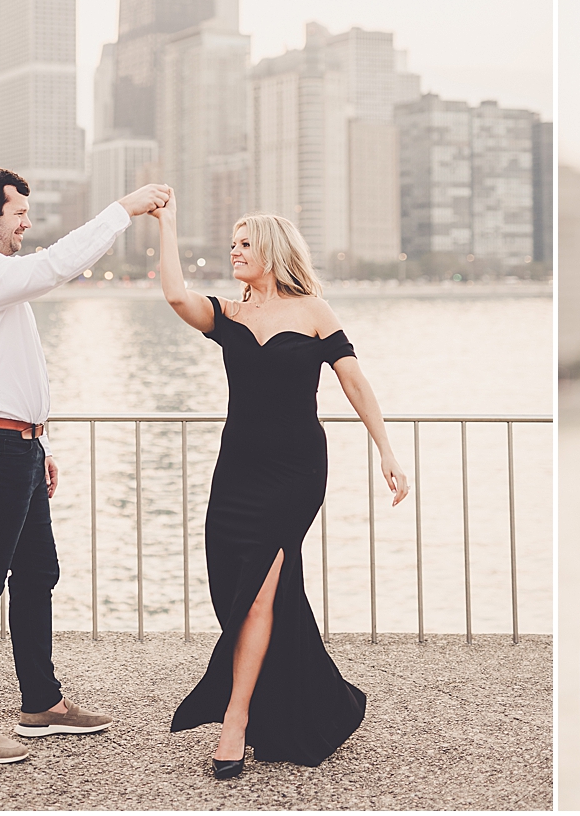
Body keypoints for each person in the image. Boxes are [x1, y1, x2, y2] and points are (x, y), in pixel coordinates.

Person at [162, 197, 411, 777]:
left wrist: (386, 450)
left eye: (245, 243)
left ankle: (236, 720)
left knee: (261, 593)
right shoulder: (227, 314)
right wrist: (167, 224)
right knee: (233, 588)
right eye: (232, 242)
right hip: (237, 472)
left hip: (295, 473)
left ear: (271, 251)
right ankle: (312, 696)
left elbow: (355, 383)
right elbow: (176, 295)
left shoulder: (316, 312)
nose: (234, 251)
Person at [0, 165, 172, 765]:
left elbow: (7, 369)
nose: (26, 223)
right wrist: (124, 208)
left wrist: (35, 443)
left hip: (14, 447)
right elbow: (56, 266)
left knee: (38, 571)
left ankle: (41, 703)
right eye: (18, 213)